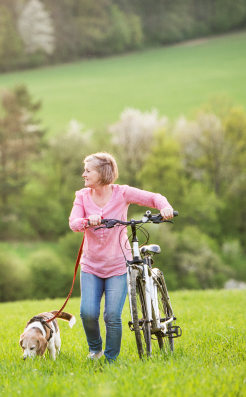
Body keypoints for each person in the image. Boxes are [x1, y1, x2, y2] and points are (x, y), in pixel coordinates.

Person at [68, 152, 174, 362]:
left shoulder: (122, 193)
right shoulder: (82, 196)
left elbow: (153, 197)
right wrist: (89, 221)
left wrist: (165, 206)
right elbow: (73, 222)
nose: (84, 174)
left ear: (102, 173)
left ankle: (110, 360)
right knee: (88, 313)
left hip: (117, 264)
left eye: (88, 170)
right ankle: (95, 350)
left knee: (112, 316)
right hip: (91, 265)